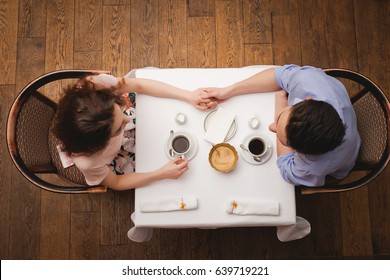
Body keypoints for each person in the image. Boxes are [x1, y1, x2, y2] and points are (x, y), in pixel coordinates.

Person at [200, 64, 361, 186]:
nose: (271, 126)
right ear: (307, 100)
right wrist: (228, 91)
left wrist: (280, 105)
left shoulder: (313, 166)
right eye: (282, 116)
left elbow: (286, 169)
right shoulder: (307, 81)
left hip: (340, 166)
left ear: (300, 152)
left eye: (283, 139)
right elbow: (277, 75)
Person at [53, 73, 217, 190]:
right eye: (119, 128)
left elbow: (139, 85)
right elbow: (116, 183)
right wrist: (161, 174)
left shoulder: (96, 87)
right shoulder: (88, 161)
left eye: (120, 110)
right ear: (100, 145)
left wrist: (188, 95)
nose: (129, 120)